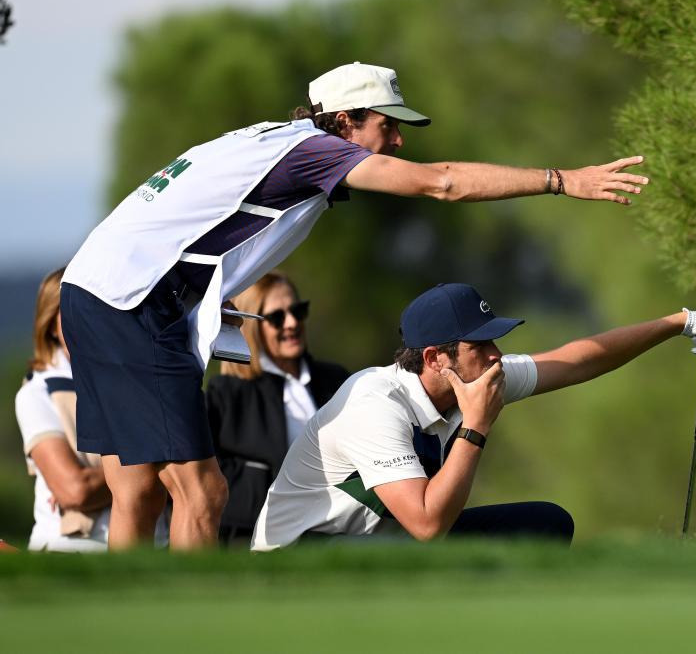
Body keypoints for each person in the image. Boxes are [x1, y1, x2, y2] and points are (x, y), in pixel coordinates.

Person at [58, 61, 651, 550]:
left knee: (135, 487)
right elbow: (440, 182)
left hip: (94, 290)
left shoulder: (275, 142)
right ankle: (197, 630)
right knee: (202, 493)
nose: (396, 141)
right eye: (386, 127)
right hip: (136, 303)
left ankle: (132, 614)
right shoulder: (312, 151)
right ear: (344, 121)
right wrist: (560, 180)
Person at [250, 283, 696, 550]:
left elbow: (578, 360)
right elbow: (426, 525)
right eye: (479, 344)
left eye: (493, 339)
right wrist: (477, 426)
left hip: (376, 544)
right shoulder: (374, 403)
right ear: (435, 358)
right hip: (303, 556)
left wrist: (679, 322)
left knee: (547, 524)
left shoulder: (475, 378)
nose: (495, 355)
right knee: (410, 549)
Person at [206, 272, 350, 546]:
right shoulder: (225, 393)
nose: (292, 323)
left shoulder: (336, 380)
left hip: (333, 531)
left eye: (298, 310)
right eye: (276, 317)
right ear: (252, 325)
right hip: (252, 537)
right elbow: (205, 475)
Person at [14, 268, 109, 551]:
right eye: (72, 311)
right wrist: (149, 473)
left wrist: (101, 480)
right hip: (73, 552)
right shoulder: (37, 392)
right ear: (51, 325)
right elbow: (75, 490)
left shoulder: (133, 380)